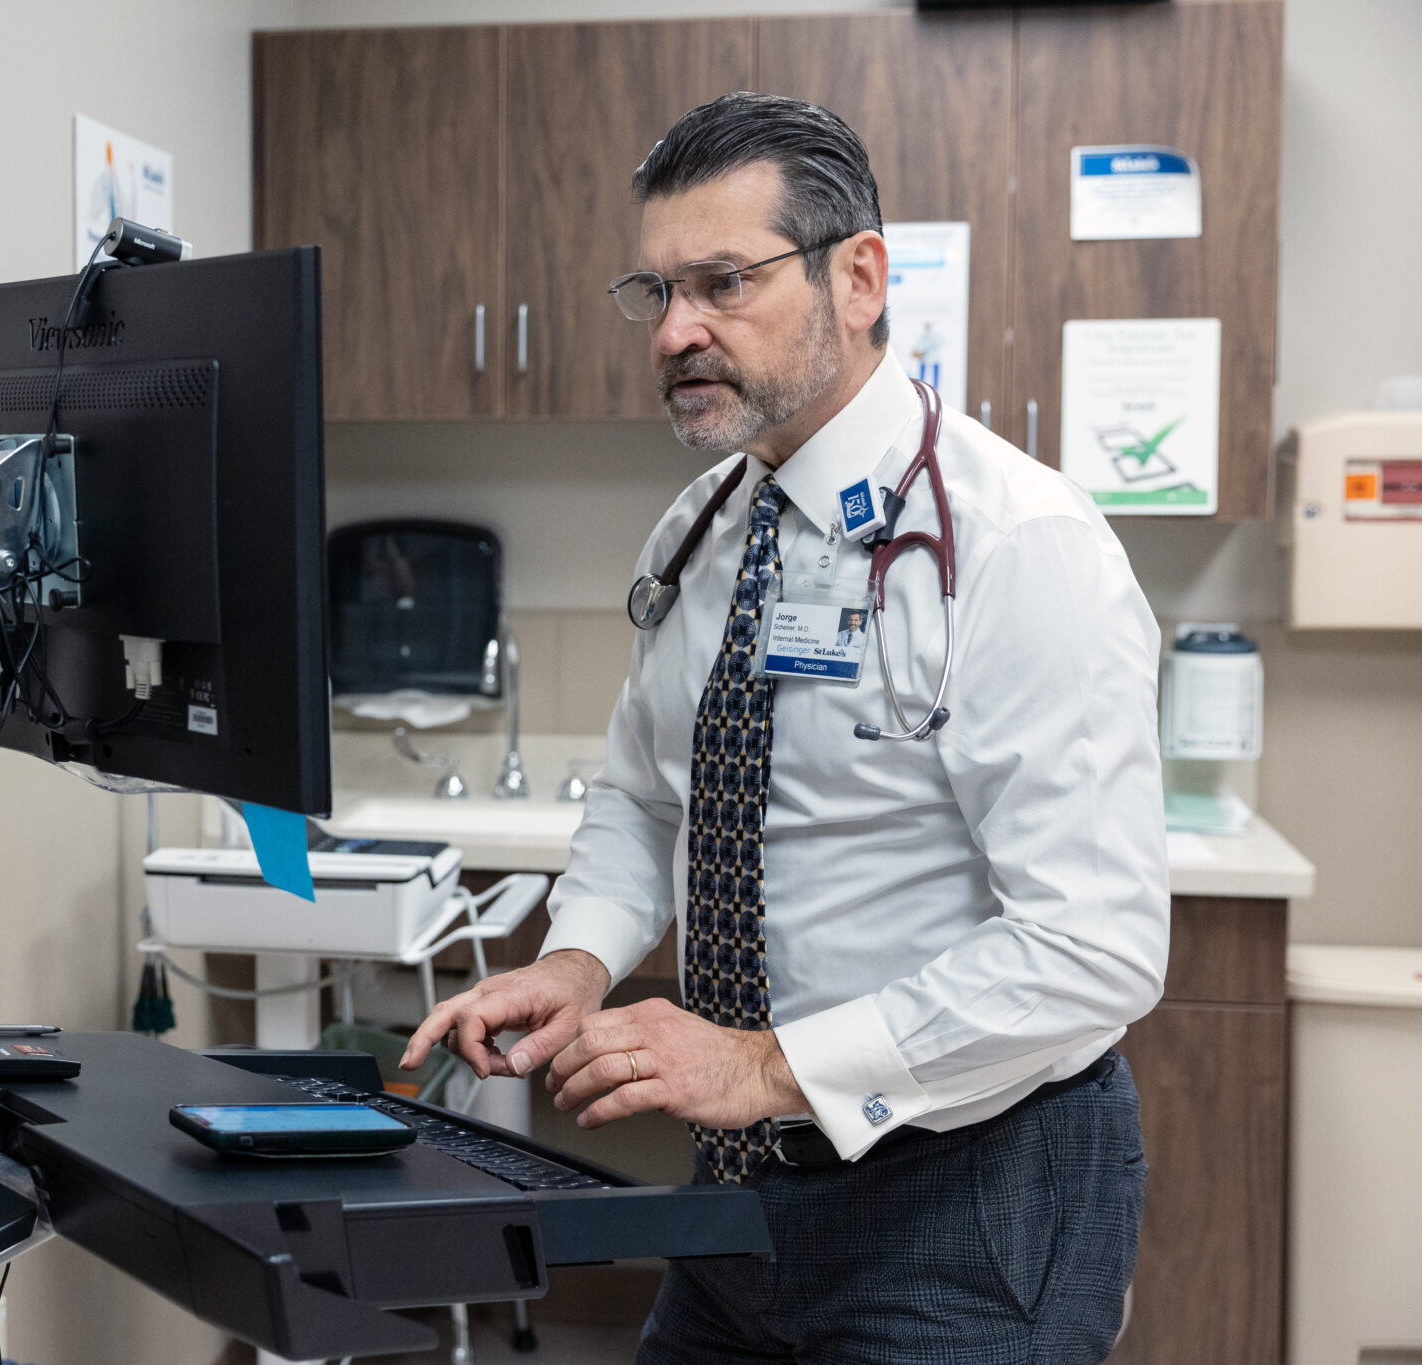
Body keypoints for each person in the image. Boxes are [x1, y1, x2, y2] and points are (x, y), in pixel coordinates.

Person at [402, 92, 1167, 1363]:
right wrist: (579, 959)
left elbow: (1092, 948)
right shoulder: (699, 528)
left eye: (722, 283)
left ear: (856, 278)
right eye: (656, 292)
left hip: (965, 1195)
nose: (675, 332)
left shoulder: (1019, 544)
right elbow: (648, 795)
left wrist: (763, 1068)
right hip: (739, 1201)